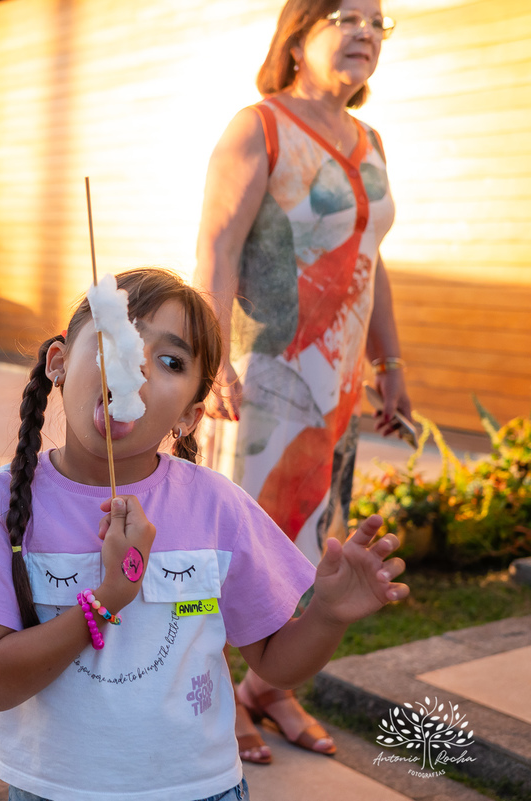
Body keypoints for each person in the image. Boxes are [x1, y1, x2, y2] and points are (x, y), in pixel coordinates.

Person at [0, 269, 409, 801]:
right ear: (59, 364)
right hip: (53, 789)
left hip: (199, 789)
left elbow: (276, 662)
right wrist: (109, 597)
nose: (135, 365)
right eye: (118, 338)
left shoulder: (216, 506)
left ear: (187, 416)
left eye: (171, 361)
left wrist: (327, 615)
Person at [193, 0, 410, 765]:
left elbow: (370, 261)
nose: (364, 32)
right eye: (345, 15)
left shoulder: (371, 140)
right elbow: (215, 251)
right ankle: (214, 687)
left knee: (305, 548)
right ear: (298, 32)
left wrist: (392, 364)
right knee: (236, 542)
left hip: (338, 395)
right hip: (261, 382)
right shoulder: (259, 128)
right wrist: (208, 359)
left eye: (378, 22)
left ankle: (267, 687)